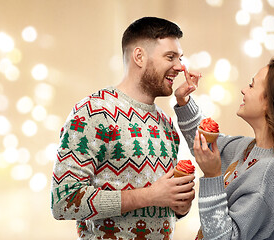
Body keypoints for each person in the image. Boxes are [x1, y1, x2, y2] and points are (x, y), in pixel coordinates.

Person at [50, 17, 196, 240]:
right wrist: (149, 196)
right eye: (170, 57)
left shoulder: (167, 124)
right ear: (139, 56)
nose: (179, 67)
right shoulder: (93, 111)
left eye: (180, 58)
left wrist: (179, 206)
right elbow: (63, 201)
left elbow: (162, 211)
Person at [174, 59, 274, 239]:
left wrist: (212, 176)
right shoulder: (247, 148)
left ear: (271, 102)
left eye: (252, 86)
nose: (244, 90)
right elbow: (205, 143)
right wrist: (184, 101)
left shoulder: (270, 174)